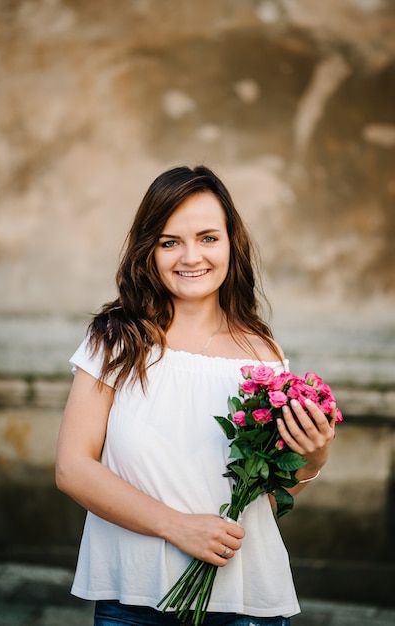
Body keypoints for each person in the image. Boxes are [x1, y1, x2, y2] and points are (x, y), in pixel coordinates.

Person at [56, 165, 337, 626]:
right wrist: (179, 527)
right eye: (170, 241)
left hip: (244, 605)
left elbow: (261, 496)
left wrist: (313, 460)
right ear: (150, 249)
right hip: (135, 599)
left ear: (231, 244)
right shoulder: (115, 341)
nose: (191, 256)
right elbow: (72, 468)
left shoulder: (262, 354)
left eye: (208, 238)